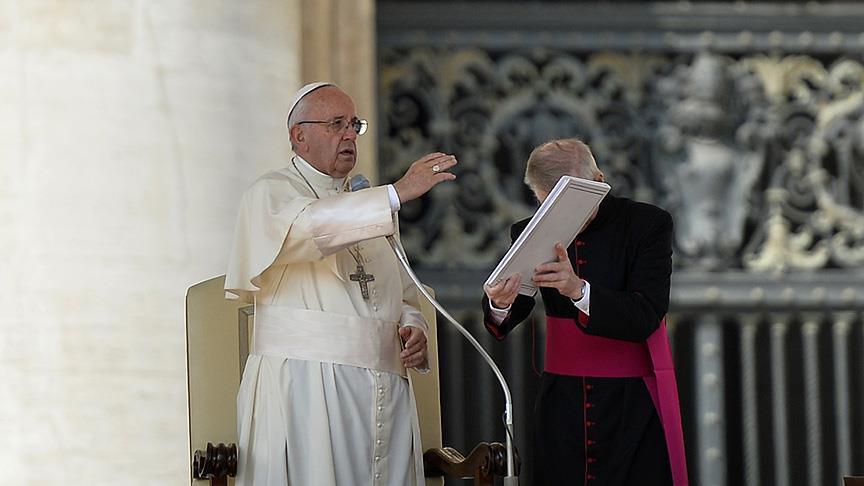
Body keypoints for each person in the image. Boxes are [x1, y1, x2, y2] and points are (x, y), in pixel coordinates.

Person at [225, 82, 457, 486]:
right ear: (299, 136)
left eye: (354, 124)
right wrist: (396, 193)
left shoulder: (367, 202)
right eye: (336, 124)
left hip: (385, 390)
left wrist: (414, 329)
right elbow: (310, 228)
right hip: (307, 389)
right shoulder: (271, 192)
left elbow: (401, 293)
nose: (350, 134)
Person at [482, 139, 688, 486]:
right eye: (547, 205)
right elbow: (510, 312)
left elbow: (646, 314)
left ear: (597, 181)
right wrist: (500, 303)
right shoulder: (528, 232)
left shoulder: (647, 224)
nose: (561, 218)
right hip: (560, 403)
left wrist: (578, 291)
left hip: (631, 404)